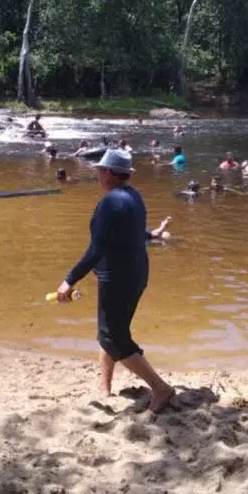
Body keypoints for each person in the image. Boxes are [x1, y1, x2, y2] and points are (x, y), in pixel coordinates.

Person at [55, 149, 175, 412]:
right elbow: (130, 231)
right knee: (111, 332)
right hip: (135, 274)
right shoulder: (133, 196)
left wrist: (69, 280)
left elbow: (96, 249)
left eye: (99, 170)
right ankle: (105, 387)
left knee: (112, 336)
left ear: (109, 173)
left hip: (118, 278)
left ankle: (160, 388)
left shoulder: (110, 202)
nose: (97, 174)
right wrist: (151, 234)